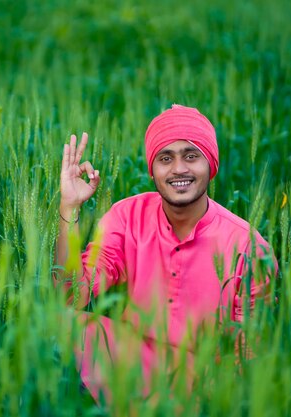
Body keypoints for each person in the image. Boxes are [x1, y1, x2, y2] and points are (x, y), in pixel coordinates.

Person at [54, 104, 278, 405]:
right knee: (60, 323)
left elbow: (248, 357)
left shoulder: (249, 248)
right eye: (165, 158)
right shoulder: (127, 217)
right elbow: (72, 297)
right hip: (131, 364)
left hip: (203, 387)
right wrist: (69, 208)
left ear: (210, 164)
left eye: (191, 155)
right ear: (153, 168)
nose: (179, 169)